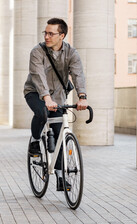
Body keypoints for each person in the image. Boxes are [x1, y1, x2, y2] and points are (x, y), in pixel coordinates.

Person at [24, 18, 88, 191]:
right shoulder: (37, 52)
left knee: (60, 133)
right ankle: (36, 141)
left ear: (62, 35)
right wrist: (46, 97)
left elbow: (78, 75)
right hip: (35, 93)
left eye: (51, 33)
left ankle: (61, 176)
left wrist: (82, 96)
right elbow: (38, 76)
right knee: (42, 113)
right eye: (45, 33)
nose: (46, 36)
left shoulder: (71, 53)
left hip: (58, 96)